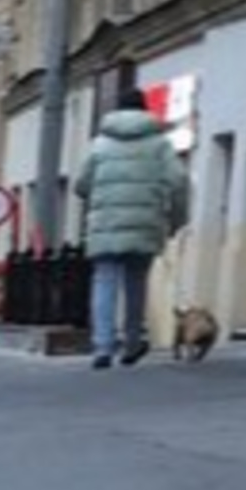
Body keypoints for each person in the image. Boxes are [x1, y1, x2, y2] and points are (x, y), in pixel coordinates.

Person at [73, 70, 188, 369]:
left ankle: (102, 347)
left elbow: (81, 185)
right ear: (145, 111)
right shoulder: (160, 144)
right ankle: (132, 343)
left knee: (104, 281)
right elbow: (179, 181)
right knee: (136, 282)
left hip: (105, 225)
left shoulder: (100, 144)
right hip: (144, 223)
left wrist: (98, 197)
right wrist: (176, 220)